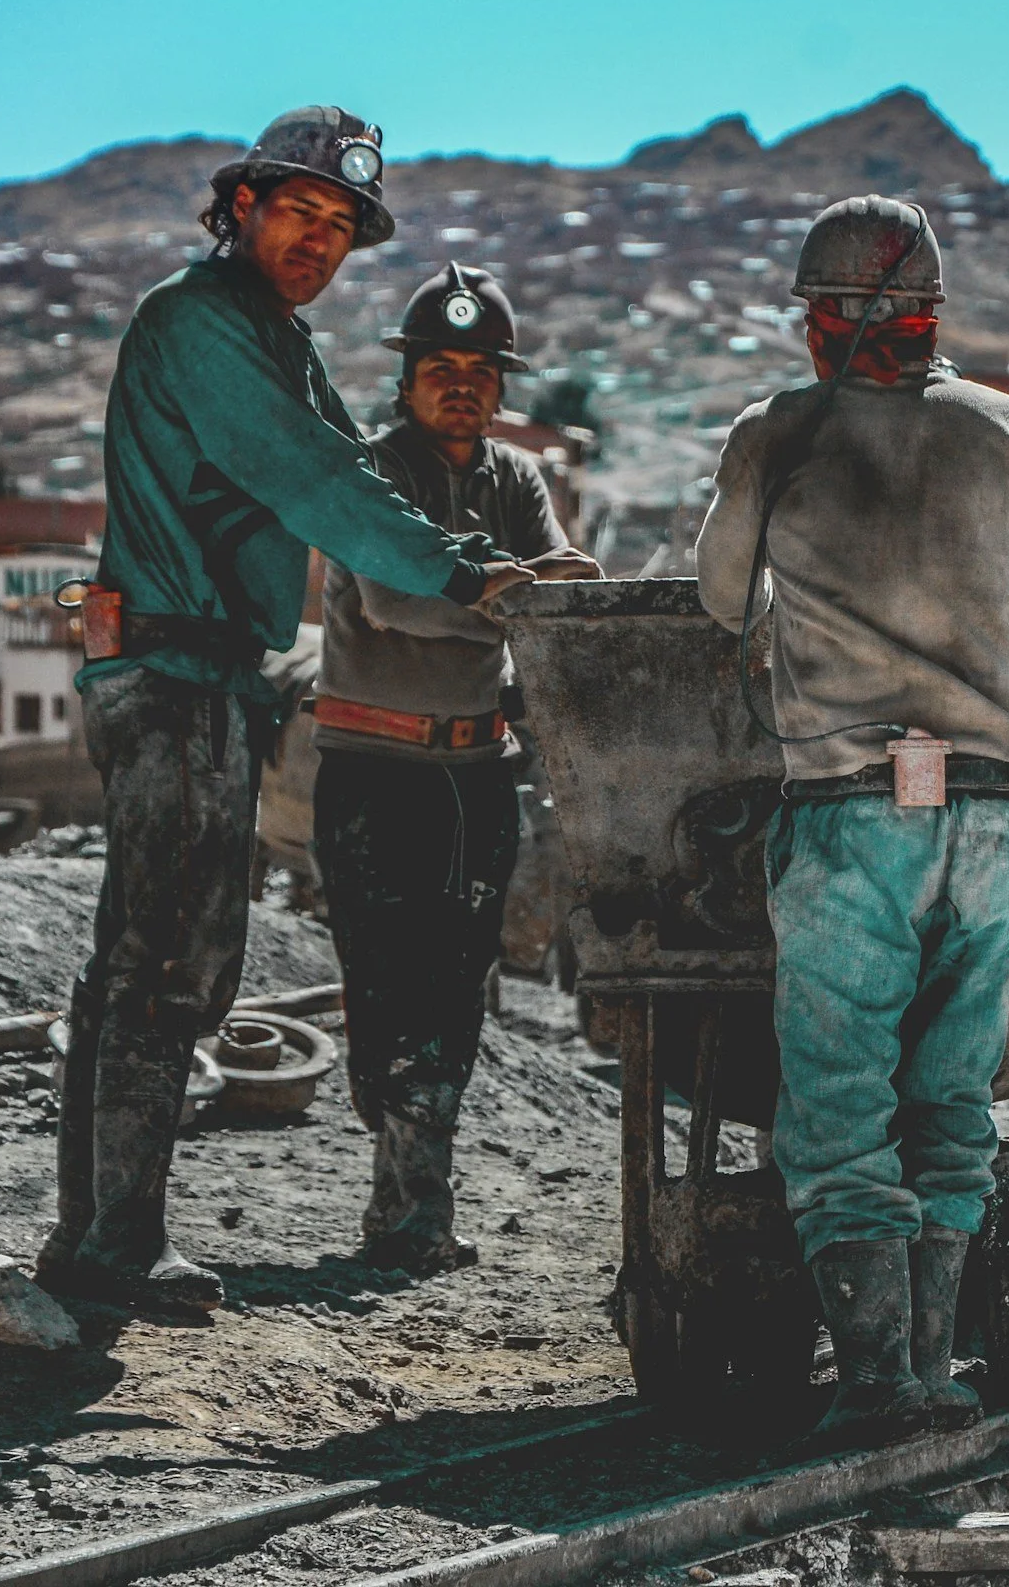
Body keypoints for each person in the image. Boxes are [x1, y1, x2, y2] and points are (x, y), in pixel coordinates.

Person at [40, 107, 552, 1313]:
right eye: (300, 211)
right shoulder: (205, 323)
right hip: (169, 673)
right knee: (165, 959)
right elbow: (318, 479)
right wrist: (467, 573)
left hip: (205, 674)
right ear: (243, 206)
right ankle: (112, 1246)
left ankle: (101, 1236)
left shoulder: (272, 336)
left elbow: (350, 467)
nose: (318, 240)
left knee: (163, 955)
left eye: (340, 224)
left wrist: (465, 549)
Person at [695, 195, 1009, 1444]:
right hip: (990, 819)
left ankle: (875, 1374)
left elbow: (721, 597)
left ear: (818, 322)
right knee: (950, 1098)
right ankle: (933, 1368)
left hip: (849, 818)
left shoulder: (776, 431)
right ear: (934, 311)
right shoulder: (1008, 431)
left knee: (837, 1107)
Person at [314, 262, 597, 1275]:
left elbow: (557, 587)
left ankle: (410, 1217)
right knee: (386, 987)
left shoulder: (513, 480)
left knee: (458, 987)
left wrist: (529, 590)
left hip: (476, 774)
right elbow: (394, 600)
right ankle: (406, 1207)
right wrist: (498, 595)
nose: (463, 386)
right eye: (442, 368)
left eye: (481, 370)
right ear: (408, 380)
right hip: (375, 771)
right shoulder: (368, 473)